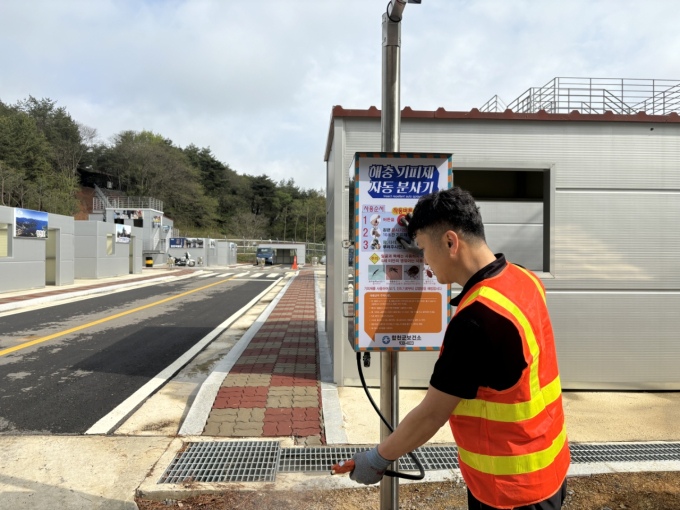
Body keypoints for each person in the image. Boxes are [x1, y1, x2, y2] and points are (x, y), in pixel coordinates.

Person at [348, 187, 569, 510]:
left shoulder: (476, 321)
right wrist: (423, 235)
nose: (423, 261)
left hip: (510, 491)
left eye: (423, 249)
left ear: (451, 242)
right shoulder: (523, 278)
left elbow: (432, 414)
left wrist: (377, 458)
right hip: (548, 467)